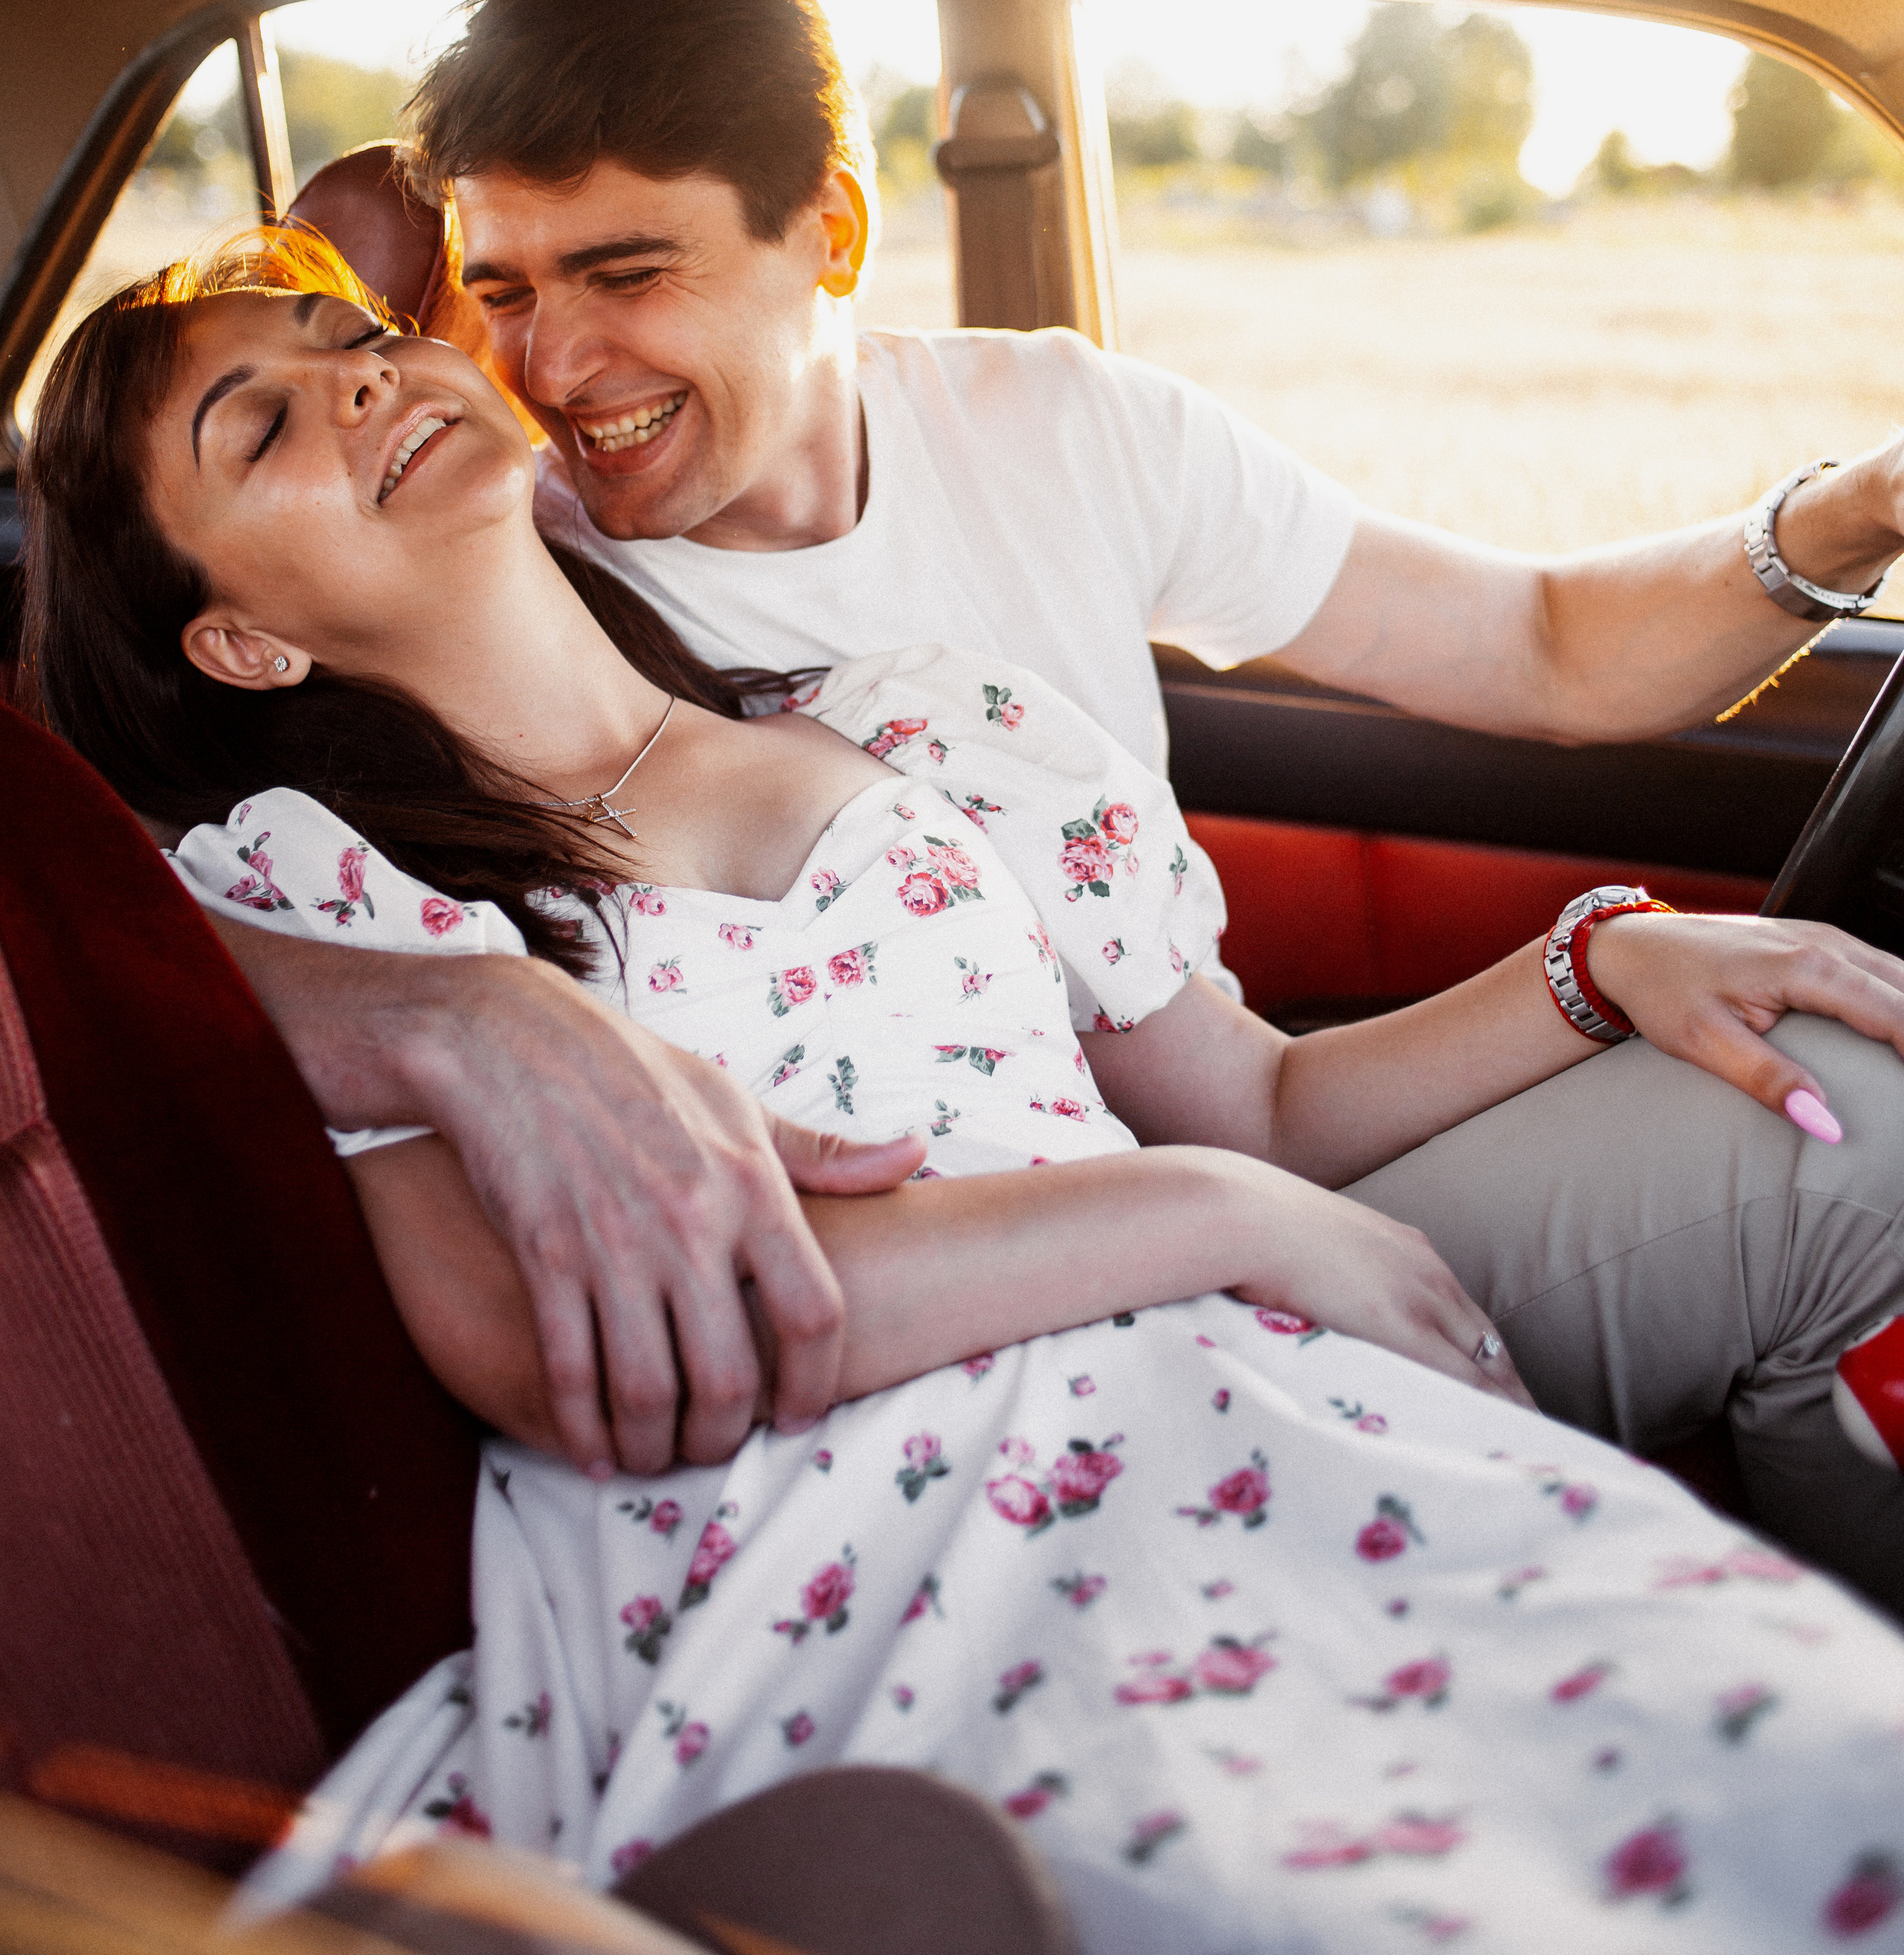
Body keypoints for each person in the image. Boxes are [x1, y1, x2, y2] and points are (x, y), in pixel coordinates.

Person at [19, 242, 1904, 1953]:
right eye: (257, 416)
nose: (358, 379)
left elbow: (1244, 1103)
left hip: (1230, 1399)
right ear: (242, 644)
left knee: (1783, 1746)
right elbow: (559, 1342)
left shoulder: (932, 723)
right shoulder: (315, 905)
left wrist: (1594, 961)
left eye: (358, 338)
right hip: (827, 1547)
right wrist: (1208, 1222)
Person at [177, 0, 1904, 1605]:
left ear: (829, 232)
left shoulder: (1059, 433)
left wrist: (1858, 513)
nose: (552, 368)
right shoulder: (477, 577)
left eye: (629, 275)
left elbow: (1537, 644)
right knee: (1863, 1137)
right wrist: (453, 1022)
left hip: (1212, 1178)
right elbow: (127, 895)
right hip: (947, 1362)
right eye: (499, 293)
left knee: (1846, 1094)